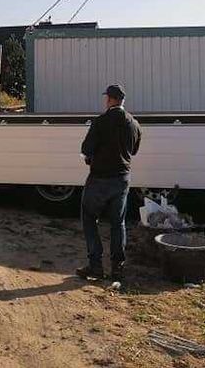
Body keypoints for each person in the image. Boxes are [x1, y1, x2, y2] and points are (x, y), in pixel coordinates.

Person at [76, 83, 142, 285]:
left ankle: (95, 266)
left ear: (111, 99)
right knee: (118, 223)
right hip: (122, 180)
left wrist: (90, 158)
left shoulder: (101, 122)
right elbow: (134, 150)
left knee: (89, 218)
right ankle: (118, 269)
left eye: (107, 98)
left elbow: (86, 150)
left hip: (99, 179)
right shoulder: (134, 124)